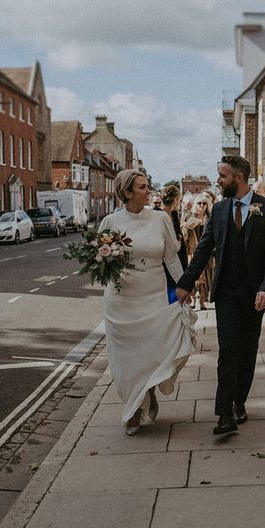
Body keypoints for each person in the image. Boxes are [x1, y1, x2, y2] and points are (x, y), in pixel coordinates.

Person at [176, 155, 265, 436]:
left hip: (255, 294)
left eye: (223, 176)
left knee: (247, 351)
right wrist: (186, 283)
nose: (218, 181)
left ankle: (239, 401)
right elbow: (203, 249)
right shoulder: (220, 210)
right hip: (225, 292)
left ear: (238, 178)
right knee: (227, 351)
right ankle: (224, 414)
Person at [100, 170, 197, 435]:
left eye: (147, 186)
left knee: (152, 353)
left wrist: (184, 286)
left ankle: (148, 392)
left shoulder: (161, 218)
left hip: (152, 295)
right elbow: (100, 262)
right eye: (142, 187)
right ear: (127, 193)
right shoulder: (110, 221)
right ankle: (132, 409)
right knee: (127, 360)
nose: (148, 190)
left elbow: (171, 258)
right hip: (122, 300)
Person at [181, 192, 212, 309]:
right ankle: (194, 298)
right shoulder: (188, 216)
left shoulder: (209, 218)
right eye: (199, 203)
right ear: (195, 204)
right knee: (193, 274)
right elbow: (182, 232)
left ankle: (202, 299)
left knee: (205, 276)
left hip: (206, 250)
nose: (202, 205)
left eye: (204, 203)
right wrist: (187, 227)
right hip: (192, 250)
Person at [160, 184, 188, 270]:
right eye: (179, 200)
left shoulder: (174, 214)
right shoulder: (158, 215)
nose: (180, 202)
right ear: (175, 200)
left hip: (177, 257)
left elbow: (178, 233)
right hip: (163, 260)